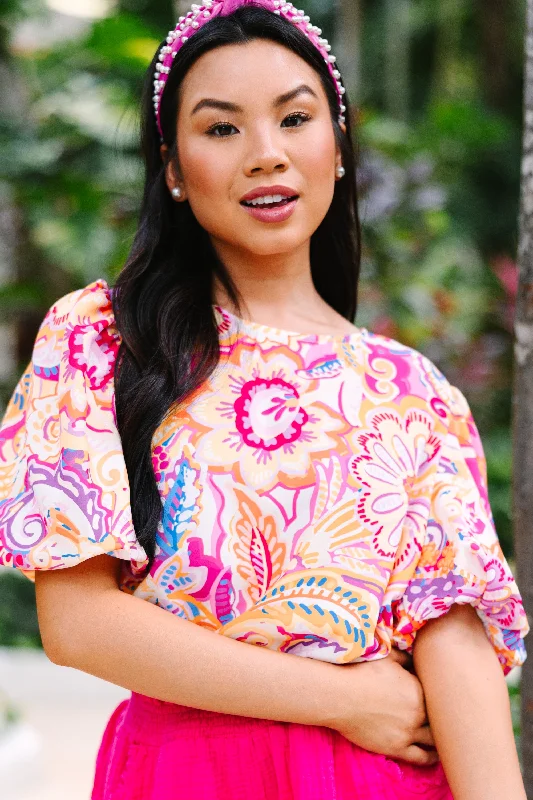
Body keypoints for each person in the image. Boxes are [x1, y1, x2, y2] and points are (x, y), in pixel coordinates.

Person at [0, 1, 529, 798]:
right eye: (221, 129)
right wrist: (348, 699)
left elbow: (453, 646)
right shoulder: (103, 340)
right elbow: (77, 624)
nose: (266, 155)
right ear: (172, 168)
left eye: (294, 118)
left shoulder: (413, 391)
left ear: (338, 145)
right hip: (186, 774)